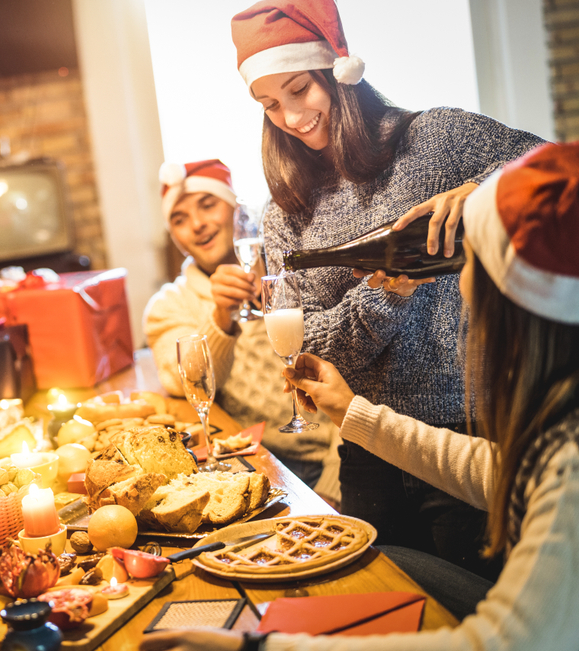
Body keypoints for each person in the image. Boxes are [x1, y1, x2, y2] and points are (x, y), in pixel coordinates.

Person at [141, 142, 579, 651]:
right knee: (384, 561)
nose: (459, 283)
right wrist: (350, 411)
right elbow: (495, 471)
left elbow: (500, 642)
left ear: (516, 302)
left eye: (471, 262)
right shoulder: (557, 435)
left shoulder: (569, 463)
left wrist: (259, 646)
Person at [225, 0, 546, 576]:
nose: (292, 116)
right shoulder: (286, 209)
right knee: (382, 605)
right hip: (366, 445)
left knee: (476, 613)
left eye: (300, 90)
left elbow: (553, 170)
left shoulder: (435, 139)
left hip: (467, 435)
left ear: (337, 76)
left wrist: (480, 188)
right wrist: (383, 297)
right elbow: (302, 345)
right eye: (270, 104)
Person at [144, 159, 339, 503]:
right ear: (173, 236)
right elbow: (185, 383)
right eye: (179, 219)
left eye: (208, 205)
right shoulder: (169, 304)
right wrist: (220, 316)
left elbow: (355, 370)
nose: (198, 224)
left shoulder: (292, 271)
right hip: (260, 459)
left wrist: (332, 487)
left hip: (339, 454)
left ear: (236, 209)